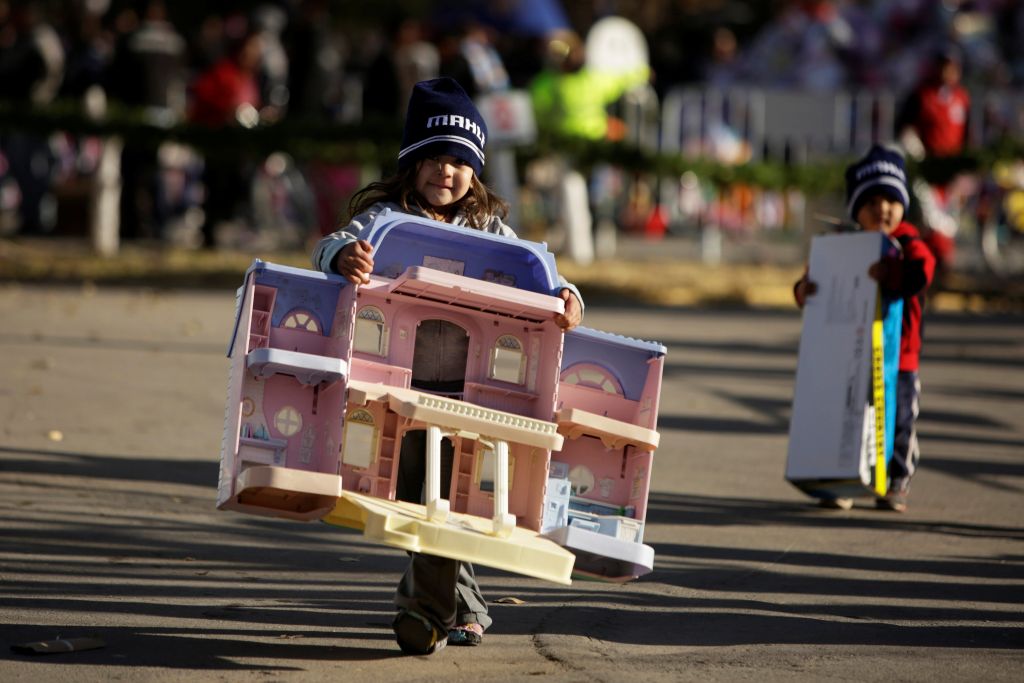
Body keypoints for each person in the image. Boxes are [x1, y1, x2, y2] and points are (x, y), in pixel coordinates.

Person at [311, 77, 583, 655]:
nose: (446, 172)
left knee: (449, 500)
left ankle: (424, 614)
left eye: (460, 162)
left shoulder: (488, 229)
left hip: (472, 392)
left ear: (476, 171)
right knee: (416, 497)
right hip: (393, 385)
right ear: (411, 163)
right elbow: (327, 245)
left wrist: (567, 296)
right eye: (434, 158)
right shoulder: (384, 220)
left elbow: (539, 271)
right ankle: (467, 606)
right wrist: (342, 255)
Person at [794, 145, 936, 513]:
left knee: (900, 421)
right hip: (851, 354)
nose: (882, 209)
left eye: (891, 200)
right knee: (851, 421)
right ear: (857, 208)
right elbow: (815, 278)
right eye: (871, 202)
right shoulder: (845, 246)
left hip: (900, 358)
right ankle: (842, 480)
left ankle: (895, 481)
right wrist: (803, 290)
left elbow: (923, 272)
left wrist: (892, 273)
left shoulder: (908, 244)